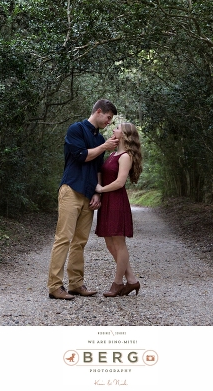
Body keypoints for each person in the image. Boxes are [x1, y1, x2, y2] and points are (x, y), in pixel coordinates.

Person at [47, 99, 118, 300]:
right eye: (108, 117)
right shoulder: (76, 129)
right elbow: (81, 156)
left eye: (111, 119)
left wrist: (97, 193)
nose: (109, 122)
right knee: (63, 238)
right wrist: (104, 147)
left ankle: (76, 284)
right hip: (71, 189)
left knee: (80, 242)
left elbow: (97, 170)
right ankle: (54, 286)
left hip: (88, 194)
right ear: (98, 111)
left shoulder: (100, 139)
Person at [94, 121, 143, 297]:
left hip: (116, 201)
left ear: (124, 134)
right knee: (109, 242)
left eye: (117, 129)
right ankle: (132, 280)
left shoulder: (125, 156)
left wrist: (101, 189)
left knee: (119, 243)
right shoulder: (114, 153)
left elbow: (120, 182)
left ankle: (117, 283)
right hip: (108, 201)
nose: (113, 130)